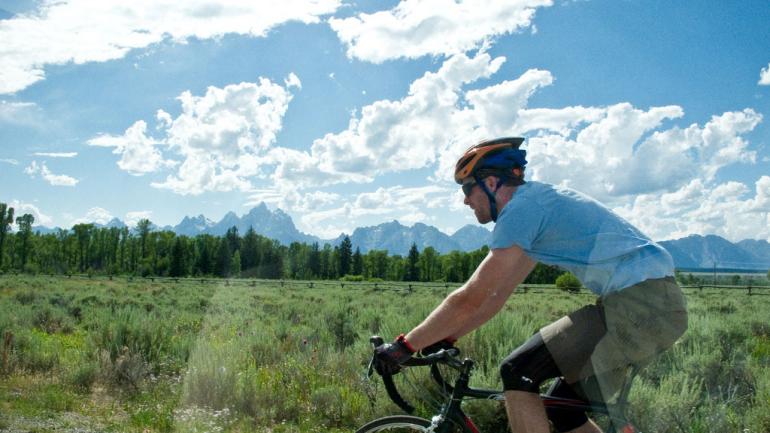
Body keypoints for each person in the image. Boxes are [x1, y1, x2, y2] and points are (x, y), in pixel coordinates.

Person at [374, 137, 688, 433]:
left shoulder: (522, 210)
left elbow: (471, 296)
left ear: (492, 183)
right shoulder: (536, 209)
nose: (465, 200)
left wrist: (404, 346)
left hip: (640, 304)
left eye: (468, 189)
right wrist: (448, 336)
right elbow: (494, 296)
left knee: (519, 370)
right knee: (563, 409)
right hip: (645, 305)